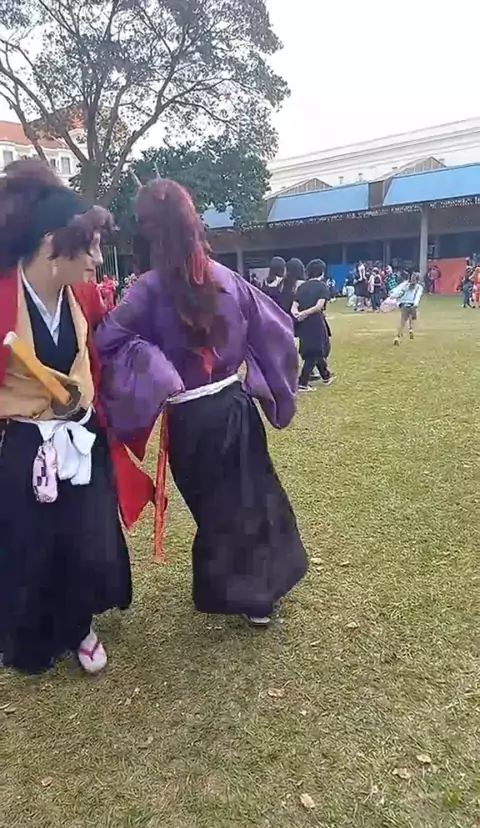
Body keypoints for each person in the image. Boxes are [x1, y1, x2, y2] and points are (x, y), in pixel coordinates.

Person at [95, 179, 307, 627]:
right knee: (251, 496)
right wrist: (267, 383)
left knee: (216, 507)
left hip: (191, 417)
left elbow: (106, 339)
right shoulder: (226, 278)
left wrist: (153, 365)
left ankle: (248, 592)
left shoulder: (146, 290)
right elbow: (275, 329)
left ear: (148, 231)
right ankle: (258, 591)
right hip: (235, 407)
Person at [0, 161, 153, 674]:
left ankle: (81, 625)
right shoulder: (2, 298)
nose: (97, 260)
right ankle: (34, 634)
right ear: (52, 244)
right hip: (25, 443)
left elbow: (97, 357)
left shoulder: (82, 296)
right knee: (31, 545)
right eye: (88, 248)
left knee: (86, 536)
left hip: (80, 437)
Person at [292, 258, 334, 391]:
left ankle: (326, 375)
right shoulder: (322, 286)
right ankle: (303, 382)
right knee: (315, 351)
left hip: (303, 323)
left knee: (314, 349)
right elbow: (319, 306)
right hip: (315, 321)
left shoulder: (301, 287)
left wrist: (297, 314)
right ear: (322, 272)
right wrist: (305, 313)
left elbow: (294, 305)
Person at [392, 271, 423, 345]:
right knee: (413, 318)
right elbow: (417, 296)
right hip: (412, 305)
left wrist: (395, 299)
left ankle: (397, 337)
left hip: (404, 305)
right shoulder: (419, 287)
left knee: (402, 322)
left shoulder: (405, 286)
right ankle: (411, 329)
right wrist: (415, 304)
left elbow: (400, 293)